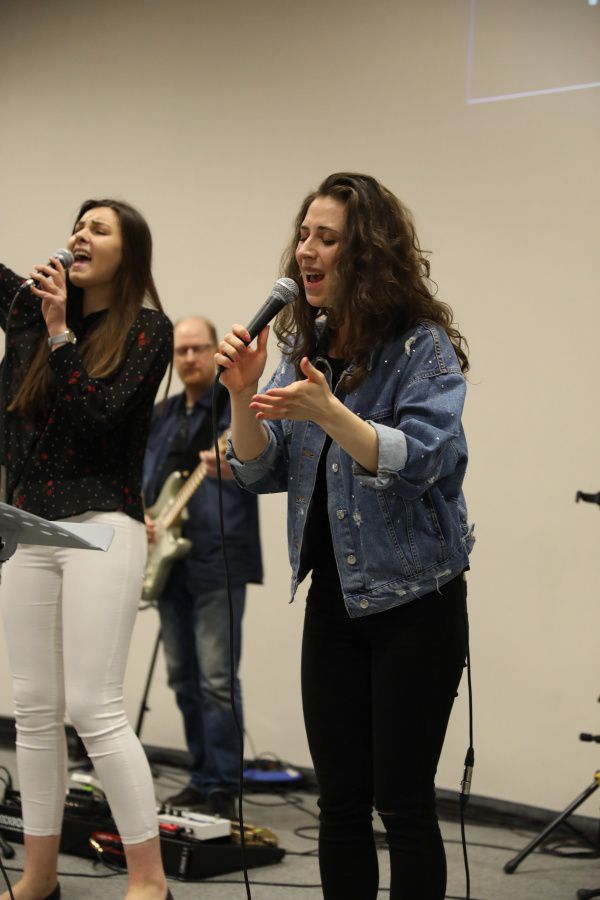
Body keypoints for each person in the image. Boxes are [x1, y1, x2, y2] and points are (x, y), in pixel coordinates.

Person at [216, 172, 474, 900]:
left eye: (326, 238)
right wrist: (241, 393)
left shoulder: (420, 348)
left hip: (415, 607)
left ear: (366, 254)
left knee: (404, 805)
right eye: (304, 234)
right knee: (339, 805)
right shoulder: (309, 344)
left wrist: (331, 412)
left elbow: (424, 459)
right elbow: (260, 468)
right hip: (334, 605)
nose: (306, 250)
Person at [0, 200, 174, 900]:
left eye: (98, 229)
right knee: (34, 708)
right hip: (28, 525)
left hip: (102, 525)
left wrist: (59, 334)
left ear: (129, 254)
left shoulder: (149, 330)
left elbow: (97, 417)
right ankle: (39, 877)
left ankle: (149, 881)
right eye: (77, 225)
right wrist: (37, 323)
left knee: (93, 708)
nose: (80, 235)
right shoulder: (32, 314)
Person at [142, 316, 262, 821]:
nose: (189, 358)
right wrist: (145, 517)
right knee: (183, 678)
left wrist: (236, 462)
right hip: (170, 564)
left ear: (215, 351)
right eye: (181, 350)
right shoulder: (162, 414)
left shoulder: (237, 409)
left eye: (198, 348)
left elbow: (262, 467)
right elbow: (145, 478)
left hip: (219, 559)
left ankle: (223, 787)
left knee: (216, 680)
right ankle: (200, 776)